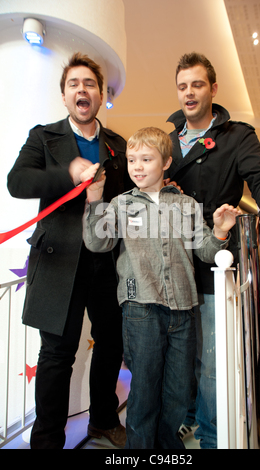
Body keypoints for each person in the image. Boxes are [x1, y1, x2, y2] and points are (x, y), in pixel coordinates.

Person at [81, 126, 241, 449]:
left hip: (183, 309)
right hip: (141, 309)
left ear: (166, 162)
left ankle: (167, 448)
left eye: (146, 159)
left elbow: (207, 249)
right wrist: (95, 199)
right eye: (131, 160)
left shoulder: (185, 205)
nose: (137, 167)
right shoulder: (121, 204)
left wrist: (221, 231)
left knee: (179, 392)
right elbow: (98, 242)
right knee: (145, 391)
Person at [7, 52, 132, 449]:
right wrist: (67, 174)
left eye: (90, 84)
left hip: (107, 261)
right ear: (64, 96)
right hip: (59, 261)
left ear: (101, 96)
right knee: (57, 356)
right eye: (74, 84)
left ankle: (102, 420)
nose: (82, 89)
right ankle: (46, 440)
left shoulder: (117, 145)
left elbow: (132, 196)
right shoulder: (43, 137)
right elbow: (17, 182)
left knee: (111, 343)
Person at [164, 52, 260, 448]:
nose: (189, 93)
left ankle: (213, 437)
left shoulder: (238, 135)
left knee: (213, 362)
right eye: (182, 86)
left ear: (213, 89)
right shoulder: (167, 140)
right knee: (178, 355)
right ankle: (185, 418)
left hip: (215, 261)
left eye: (197, 85)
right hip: (170, 262)